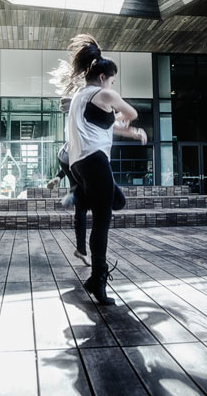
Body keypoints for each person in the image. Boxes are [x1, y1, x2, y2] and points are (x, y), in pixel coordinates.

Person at [58, 34, 147, 305]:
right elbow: (130, 113)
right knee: (103, 220)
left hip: (79, 164)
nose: (112, 85)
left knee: (116, 201)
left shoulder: (80, 98)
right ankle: (97, 278)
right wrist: (124, 117)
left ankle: (80, 195)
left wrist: (130, 134)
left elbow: (108, 124)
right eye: (112, 79)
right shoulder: (104, 94)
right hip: (95, 160)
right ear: (102, 78)